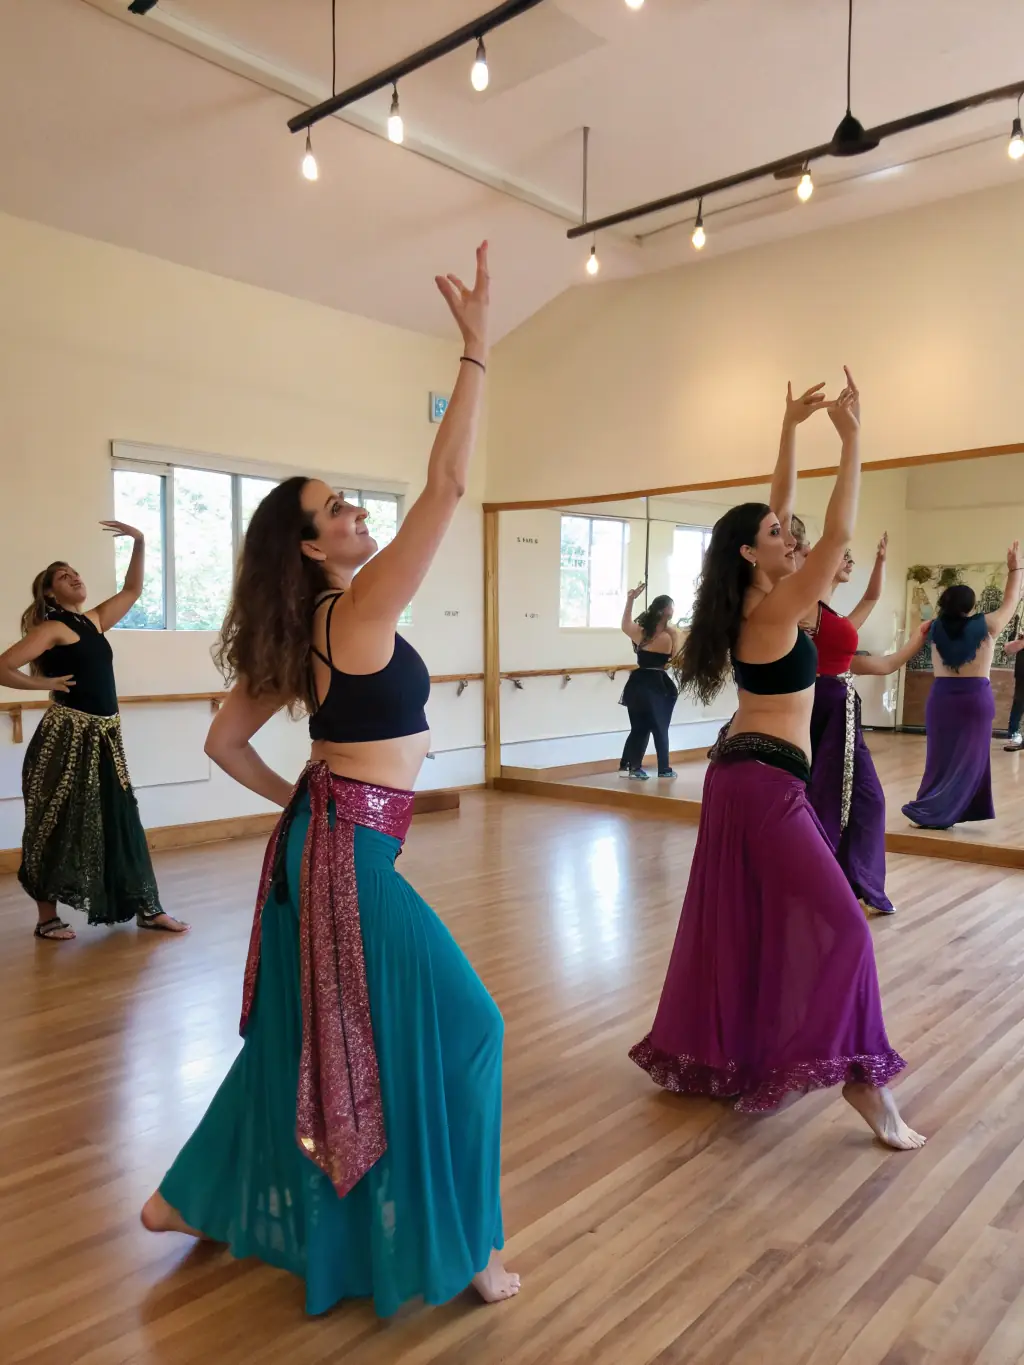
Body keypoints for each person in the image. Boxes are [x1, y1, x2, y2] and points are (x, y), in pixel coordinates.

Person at [141, 244, 519, 1319]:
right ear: (310, 549)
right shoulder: (353, 612)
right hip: (348, 853)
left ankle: (187, 1201)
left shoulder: (308, 622)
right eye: (338, 512)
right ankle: (467, 1249)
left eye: (353, 504)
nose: (357, 516)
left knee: (305, 1038)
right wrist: (477, 351)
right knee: (472, 1028)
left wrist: (305, 803)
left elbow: (222, 741)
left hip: (332, 839)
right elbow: (448, 485)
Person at [630, 373, 924, 1150]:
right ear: (750, 551)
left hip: (749, 777)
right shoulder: (773, 608)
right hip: (762, 786)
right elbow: (832, 534)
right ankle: (864, 1083)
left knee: (756, 924)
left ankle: (747, 1054)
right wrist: (855, 439)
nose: (789, 535)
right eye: (775, 532)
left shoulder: (762, 597)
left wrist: (791, 427)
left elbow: (783, 505)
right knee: (846, 929)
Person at [0, 528, 187, 941]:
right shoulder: (52, 628)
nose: (75, 579)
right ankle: (46, 918)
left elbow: (134, 588)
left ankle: (147, 908)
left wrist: (139, 541)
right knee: (53, 821)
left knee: (120, 818)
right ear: (50, 594)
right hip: (66, 737)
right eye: (64, 577)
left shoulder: (93, 621)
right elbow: (3, 666)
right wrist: (47, 685)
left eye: (76, 573)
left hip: (104, 737)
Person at [792, 531, 928, 916]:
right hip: (818, 711)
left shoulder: (832, 617)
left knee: (866, 801)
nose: (850, 562)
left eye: (851, 557)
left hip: (841, 710)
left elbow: (872, 609)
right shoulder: (805, 607)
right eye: (843, 556)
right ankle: (824, 885)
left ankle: (857, 882)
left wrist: (882, 562)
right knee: (824, 800)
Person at [902, 553, 1022, 829]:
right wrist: (1016, 569)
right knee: (971, 757)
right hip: (975, 697)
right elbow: (1011, 601)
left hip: (941, 698)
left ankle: (931, 806)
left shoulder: (932, 627)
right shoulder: (987, 625)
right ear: (972, 605)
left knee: (939, 757)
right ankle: (945, 810)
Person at [617, 586, 683, 780]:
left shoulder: (641, 633)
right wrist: (675, 634)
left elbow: (625, 624)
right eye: (671, 607)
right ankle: (664, 768)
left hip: (637, 683)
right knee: (660, 727)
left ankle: (631, 767)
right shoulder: (667, 637)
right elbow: (675, 657)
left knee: (639, 727)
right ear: (664, 611)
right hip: (656, 685)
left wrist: (630, 600)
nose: (673, 610)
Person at [1002, 615, 1024, 750]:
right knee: (1019, 703)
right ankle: (1013, 734)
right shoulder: (1019, 632)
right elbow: (1008, 649)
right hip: (1022, 675)